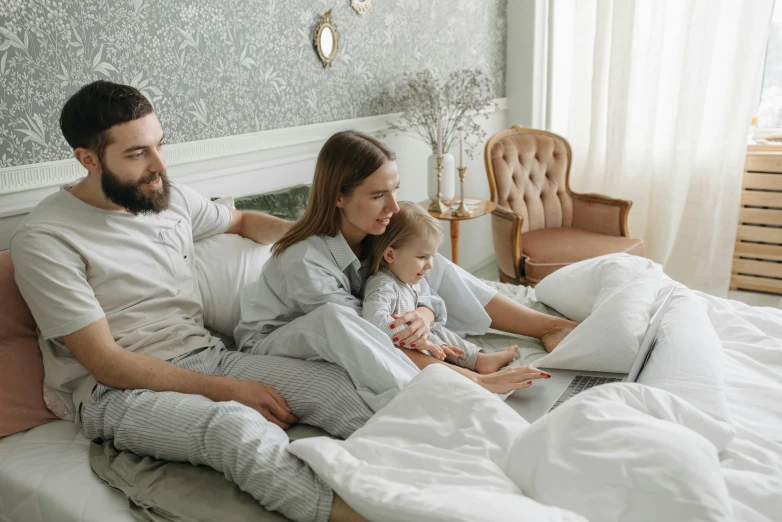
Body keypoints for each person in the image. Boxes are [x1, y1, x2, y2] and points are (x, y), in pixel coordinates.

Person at [11, 80, 370, 522]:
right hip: (117, 392)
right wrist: (229, 393)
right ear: (88, 159)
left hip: (207, 356)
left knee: (336, 387)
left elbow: (240, 221)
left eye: (159, 144)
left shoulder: (168, 197)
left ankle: (430, 475)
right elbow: (105, 363)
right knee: (235, 428)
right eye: (137, 153)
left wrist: (318, 237)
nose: (159, 164)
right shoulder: (46, 238)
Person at [235, 130, 576, 410]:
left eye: (395, 189)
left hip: (352, 323)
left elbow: (417, 292)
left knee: (425, 259)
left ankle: (549, 325)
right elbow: (367, 333)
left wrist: (425, 314)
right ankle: (478, 379)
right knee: (351, 319)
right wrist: (472, 380)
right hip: (274, 342)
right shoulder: (304, 261)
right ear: (339, 197)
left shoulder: (376, 232)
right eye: (378, 195)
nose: (393, 207)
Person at [363, 201, 536, 378]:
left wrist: (430, 333)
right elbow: (373, 320)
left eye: (432, 256)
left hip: (422, 338)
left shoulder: (408, 279)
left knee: (441, 333)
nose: (430, 265)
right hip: (407, 349)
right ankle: (474, 361)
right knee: (436, 334)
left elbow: (433, 305)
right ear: (391, 254)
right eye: (422, 257)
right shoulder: (382, 285)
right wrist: (422, 342)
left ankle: (478, 359)